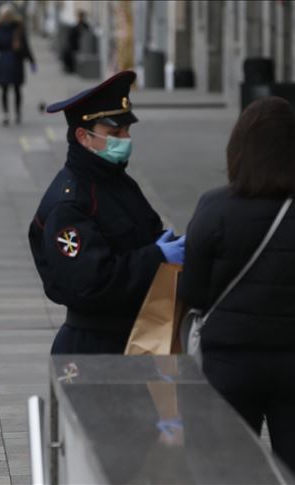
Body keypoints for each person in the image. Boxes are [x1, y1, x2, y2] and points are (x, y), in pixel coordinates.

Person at [179, 96, 295, 485]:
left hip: (230, 366)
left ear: (238, 149)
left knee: (228, 475)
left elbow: (193, 290)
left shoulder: (214, 208)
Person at [28, 70, 185, 355]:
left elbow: (144, 233)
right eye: (115, 133)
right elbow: (89, 283)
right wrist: (157, 256)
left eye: (126, 131)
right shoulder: (70, 204)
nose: (125, 139)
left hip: (139, 335)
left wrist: (169, 244)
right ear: (83, 136)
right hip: (94, 347)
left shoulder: (115, 181)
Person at [0, 3, 35, 125]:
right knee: (16, 89)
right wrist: (31, 60)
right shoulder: (19, 27)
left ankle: (6, 114)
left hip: (4, 61)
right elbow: (25, 46)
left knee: (5, 89)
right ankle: (17, 113)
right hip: (16, 61)